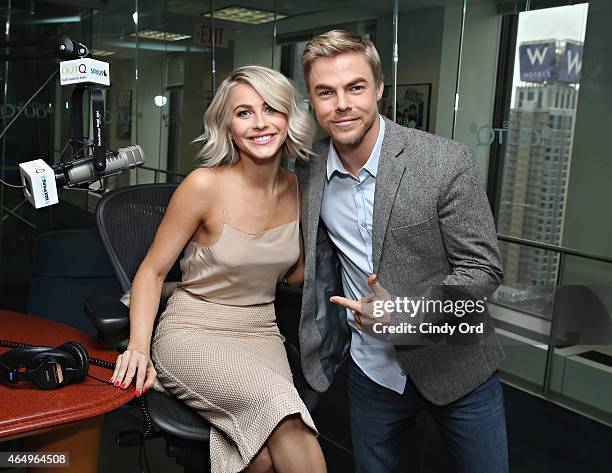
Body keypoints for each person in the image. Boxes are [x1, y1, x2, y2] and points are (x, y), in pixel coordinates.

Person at [296, 30, 509, 472]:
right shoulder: (308, 169)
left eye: (355, 87)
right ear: (312, 101)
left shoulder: (444, 161)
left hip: (458, 362)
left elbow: (482, 268)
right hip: (371, 368)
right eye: (325, 92)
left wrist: (406, 314)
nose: (342, 104)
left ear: (378, 89)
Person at [109, 65, 327, 473]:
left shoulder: (301, 189)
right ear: (227, 126)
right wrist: (138, 346)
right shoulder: (204, 185)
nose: (260, 123)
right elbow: (152, 272)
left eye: (271, 109)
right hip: (194, 329)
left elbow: (296, 274)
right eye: (244, 112)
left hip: (261, 331)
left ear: (289, 117)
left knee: (260, 452)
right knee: (288, 418)